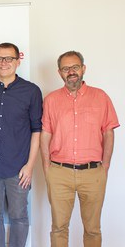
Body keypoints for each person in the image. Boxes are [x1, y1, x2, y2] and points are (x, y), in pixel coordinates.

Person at [40, 51, 119, 247]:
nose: (71, 72)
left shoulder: (100, 97)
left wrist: (105, 165)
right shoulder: (51, 100)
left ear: (83, 69)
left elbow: (108, 133)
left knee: (92, 229)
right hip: (59, 172)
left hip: (93, 173)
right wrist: (47, 167)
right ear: (60, 73)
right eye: (66, 69)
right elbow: (46, 135)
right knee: (59, 227)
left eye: (75, 67)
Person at [0, 42, 42, 247]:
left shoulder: (31, 91)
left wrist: (30, 166)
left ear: (18, 61)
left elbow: (36, 131)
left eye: (9, 58)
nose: (4, 63)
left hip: (18, 169)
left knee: (19, 217)